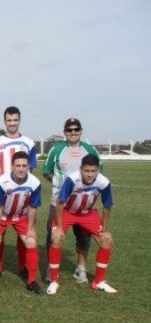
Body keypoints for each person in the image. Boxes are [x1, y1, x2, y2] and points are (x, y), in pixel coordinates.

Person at [42, 118, 101, 284]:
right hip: (59, 202)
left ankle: (81, 269)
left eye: (76, 129)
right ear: (64, 132)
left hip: (83, 205)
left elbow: (98, 173)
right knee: (53, 235)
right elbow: (46, 172)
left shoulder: (90, 150)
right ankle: (51, 267)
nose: (73, 132)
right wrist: (61, 186)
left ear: (81, 131)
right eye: (69, 130)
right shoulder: (56, 150)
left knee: (83, 237)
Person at [47, 154, 116, 295]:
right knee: (56, 238)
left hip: (88, 214)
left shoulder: (104, 182)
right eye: (86, 171)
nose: (89, 175)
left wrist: (106, 230)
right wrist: (59, 228)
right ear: (81, 169)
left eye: (93, 171)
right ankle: (54, 280)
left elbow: (107, 206)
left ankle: (98, 281)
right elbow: (60, 203)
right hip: (67, 212)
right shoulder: (72, 179)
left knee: (107, 241)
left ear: (98, 170)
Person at [0, 106, 38, 278]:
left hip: (23, 197)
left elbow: (31, 169)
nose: (12, 123)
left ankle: (23, 267)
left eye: (15, 120)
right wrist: (2, 184)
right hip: (3, 195)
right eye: (9, 120)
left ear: (19, 120)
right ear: (5, 121)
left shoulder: (29, 143)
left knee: (24, 235)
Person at [0, 151, 43, 295]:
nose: (21, 169)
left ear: (29, 166)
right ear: (12, 166)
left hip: (21, 215)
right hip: (1, 215)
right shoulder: (2, 181)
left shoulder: (35, 183)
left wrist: (30, 229)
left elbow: (33, 207)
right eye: (18, 165)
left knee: (31, 241)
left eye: (24, 165)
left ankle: (31, 280)